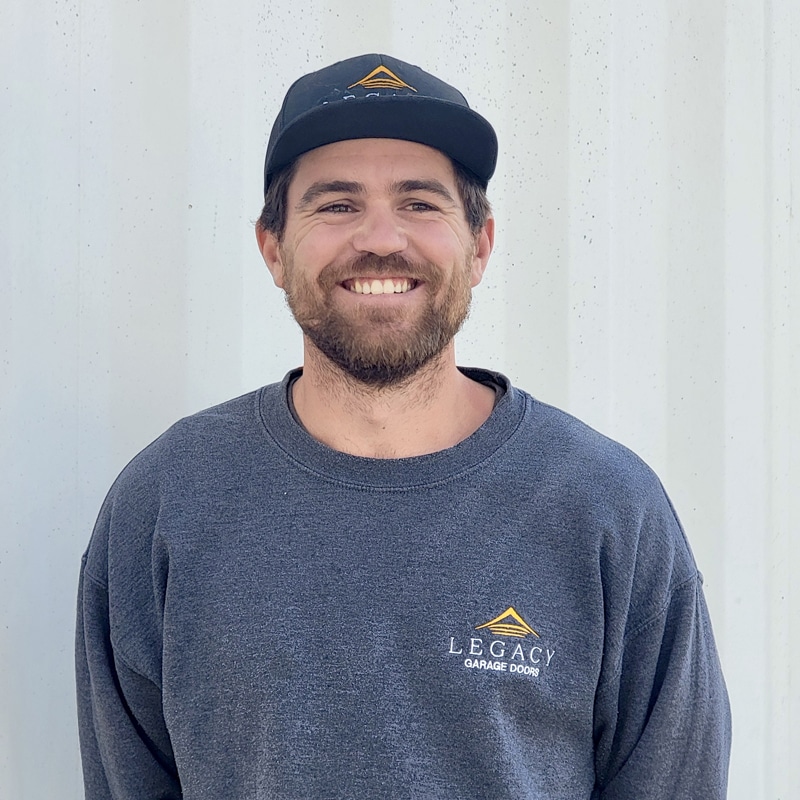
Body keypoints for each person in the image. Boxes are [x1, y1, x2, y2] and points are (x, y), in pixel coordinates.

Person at [76, 53, 731, 799]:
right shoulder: (164, 504)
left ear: (479, 246)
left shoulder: (607, 509)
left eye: (420, 203)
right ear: (272, 249)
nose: (381, 238)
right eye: (336, 205)